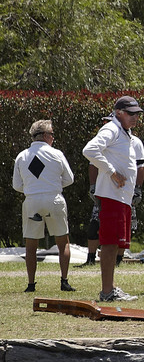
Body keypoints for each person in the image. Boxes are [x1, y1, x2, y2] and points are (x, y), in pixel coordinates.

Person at [81, 95, 144, 303]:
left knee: (116, 244)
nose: (135, 117)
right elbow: (89, 150)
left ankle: (110, 289)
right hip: (112, 196)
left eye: (137, 114)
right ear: (119, 113)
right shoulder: (111, 129)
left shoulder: (125, 132)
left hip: (121, 197)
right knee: (109, 244)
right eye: (131, 113)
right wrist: (111, 172)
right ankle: (107, 292)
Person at [13, 119, 75, 294]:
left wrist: (33, 189)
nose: (53, 138)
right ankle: (64, 281)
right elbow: (69, 179)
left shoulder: (22, 156)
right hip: (54, 199)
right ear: (46, 135)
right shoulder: (57, 154)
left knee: (31, 245)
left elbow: (17, 185)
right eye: (52, 134)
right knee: (63, 242)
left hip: (31, 200)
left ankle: (31, 284)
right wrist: (52, 186)